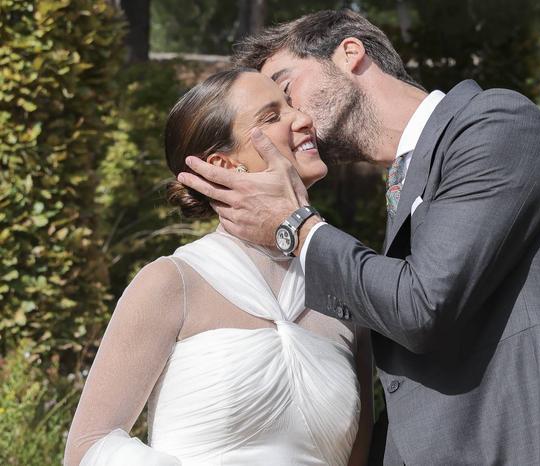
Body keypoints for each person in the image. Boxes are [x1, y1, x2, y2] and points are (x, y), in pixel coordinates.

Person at [178, 9, 540, 466]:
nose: (293, 119)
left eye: (287, 89)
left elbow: (424, 305)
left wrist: (297, 226)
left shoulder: (496, 122)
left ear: (350, 53)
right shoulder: (404, 184)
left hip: (538, 439)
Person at [64, 68, 373, 466]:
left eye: (292, 105)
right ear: (224, 165)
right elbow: (89, 445)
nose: (302, 119)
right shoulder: (172, 283)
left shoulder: (345, 287)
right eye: (272, 115)